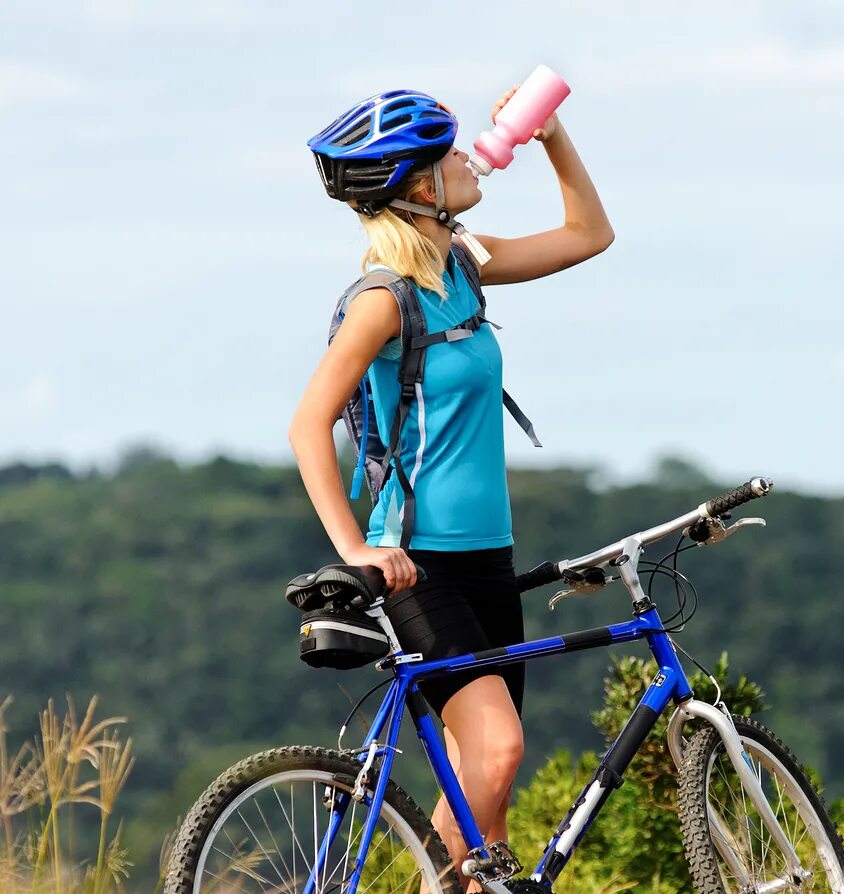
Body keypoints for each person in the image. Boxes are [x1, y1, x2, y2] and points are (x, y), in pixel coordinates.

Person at [288, 85, 613, 892]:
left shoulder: (464, 267)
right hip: (420, 568)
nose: (470, 157)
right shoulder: (381, 300)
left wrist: (553, 136)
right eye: (449, 153)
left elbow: (588, 236)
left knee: (485, 818)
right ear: (418, 186)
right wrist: (360, 549)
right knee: (498, 752)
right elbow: (308, 425)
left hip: (489, 563)